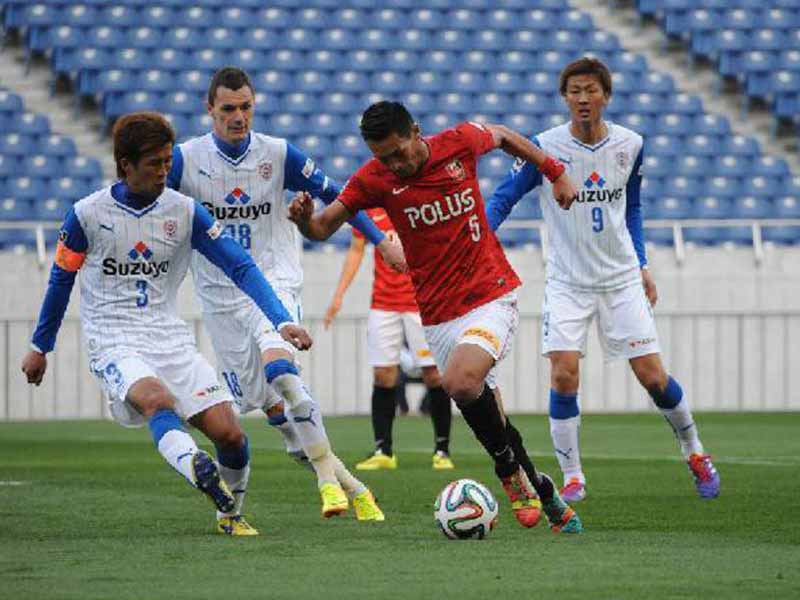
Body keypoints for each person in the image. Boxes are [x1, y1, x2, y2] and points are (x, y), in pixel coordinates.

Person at [289, 100, 583, 534]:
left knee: (460, 383)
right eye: (383, 157)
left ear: (417, 131)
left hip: (490, 293)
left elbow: (501, 133)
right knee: (491, 416)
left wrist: (554, 170)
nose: (394, 163)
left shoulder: (459, 142)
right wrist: (302, 222)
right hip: (438, 315)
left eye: (399, 151)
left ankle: (506, 472)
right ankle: (542, 490)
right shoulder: (374, 179)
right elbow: (323, 227)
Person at [20, 112, 314, 535]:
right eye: (154, 164)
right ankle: (196, 468)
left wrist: (281, 320)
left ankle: (230, 515)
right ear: (126, 165)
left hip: (169, 337)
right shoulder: (86, 216)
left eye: (165, 161)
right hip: (113, 338)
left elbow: (242, 267)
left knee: (231, 436)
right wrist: (40, 346)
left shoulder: (186, 212)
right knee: (157, 400)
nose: (164, 171)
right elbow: (60, 280)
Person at [167, 67, 395, 527]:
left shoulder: (278, 154)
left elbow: (342, 196)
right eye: (228, 109)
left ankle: (325, 484)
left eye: (246, 107)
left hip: (273, 282)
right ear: (209, 109)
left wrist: (382, 241)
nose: (238, 117)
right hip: (220, 299)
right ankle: (351, 484)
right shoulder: (184, 161)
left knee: (282, 369)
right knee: (274, 410)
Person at [485, 56, 720, 502]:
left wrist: (643, 265)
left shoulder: (630, 145)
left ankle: (695, 451)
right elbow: (503, 198)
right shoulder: (544, 147)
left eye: (591, 90)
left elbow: (631, 207)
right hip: (567, 282)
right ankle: (573, 477)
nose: (583, 98)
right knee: (563, 375)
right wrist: (478, 239)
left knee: (653, 377)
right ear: (565, 98)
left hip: (620, 279)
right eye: (574, 91)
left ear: (606, 96)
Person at [324, 208, 455, 471]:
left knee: (434, 374)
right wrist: (339, 295)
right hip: (383, 304)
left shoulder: (419, 203)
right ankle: (383, 450)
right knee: (384, 374)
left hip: (422, 303)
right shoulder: (370, 210)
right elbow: (356, 250)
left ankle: (442, 450)